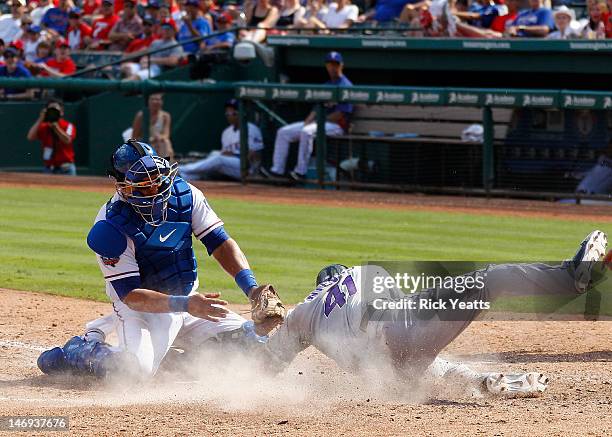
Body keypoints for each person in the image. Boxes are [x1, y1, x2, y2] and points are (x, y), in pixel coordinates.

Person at [36, 139, 286, 378]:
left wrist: (252, 290)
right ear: (123, 186)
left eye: (157, 180)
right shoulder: (110, 227)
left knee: (255, 346)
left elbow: (219, 243)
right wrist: (187, 305)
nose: (155, 189)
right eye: (143, 184)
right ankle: (79, 350)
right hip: (140, 312)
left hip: (188, 303)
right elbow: (131, 295)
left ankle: (173, 361)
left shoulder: (185, 196)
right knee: (133, 372)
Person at [259, 230, 608, 396]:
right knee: (493, 279)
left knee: (414, 356)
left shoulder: (302, 315)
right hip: (395, 331)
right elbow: (404, 317)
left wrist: (256, 329)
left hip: (389, 371)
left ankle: (479, 383)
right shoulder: (358, 274)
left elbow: (266, 365)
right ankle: (569, 278)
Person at [261, 51, 353, 182]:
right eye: (330, 64)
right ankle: (277, 171)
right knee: (283, 132)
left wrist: (316, 122)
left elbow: (341, 114)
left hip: (338, 126)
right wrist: (308, 120)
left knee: (306, 132)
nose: (333, 67)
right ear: (326, 66)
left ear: (341, 65)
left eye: (336, 64)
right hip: (320, 123)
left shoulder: (346, 85)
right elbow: (316, 108)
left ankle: (300, 172)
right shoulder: (327, 85)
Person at [180, 99, 264, 181]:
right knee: (214, 155)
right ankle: (182, 176)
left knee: (218, 159)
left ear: (239, 113)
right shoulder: (226, 132)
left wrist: (236, 156)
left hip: (247, 168)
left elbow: (255, 154)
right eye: (227, 112)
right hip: (230, 166)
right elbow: (225, 153)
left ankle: (181, 169)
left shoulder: (252, 129)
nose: (228, 115)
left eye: (231, 112)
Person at [26, 99, 77, 175]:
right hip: (49, 169)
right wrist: (41, 119)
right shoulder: (44, 127)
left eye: (55, 109)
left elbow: (67, 140)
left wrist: (56, 127)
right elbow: (30, 137)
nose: (53, 112)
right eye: (50, 109)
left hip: (66, 168)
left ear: (61, 112)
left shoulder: (68, 125)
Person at [131, 93, 174, 161]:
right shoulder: (140, 116)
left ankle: (166, 167)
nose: (155, 102)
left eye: (158, 99)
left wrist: (158, 138)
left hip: (159, 144)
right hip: (144, 145)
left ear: (161, 102)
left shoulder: (166, 116)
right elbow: (134, 137)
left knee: (166, 142)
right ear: (148, 102)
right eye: (153, 99)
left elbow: (166, 135)